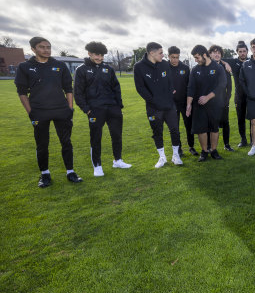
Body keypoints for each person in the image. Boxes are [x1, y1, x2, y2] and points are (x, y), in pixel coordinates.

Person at [15, 36, 83, 187]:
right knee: (42, 144)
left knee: (66, 142)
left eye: (48, 47)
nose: (46, 50)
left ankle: (70, 172)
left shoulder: (59, 65)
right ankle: (45, 174)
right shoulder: (24, 67)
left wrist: (70, 108)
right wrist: (30, 112)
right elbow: (22, 92)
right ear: (33, 49)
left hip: (61, 111)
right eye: (42, 47)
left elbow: (68, 89)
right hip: (39, 112)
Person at [74, 41, 131, 176]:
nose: (99, 58)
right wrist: (86, 109)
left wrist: (119, 105)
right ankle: (97, 166)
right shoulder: (81, 70)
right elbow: (78, 92)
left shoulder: (108, 69)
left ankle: (117, 160)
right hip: (95, 110)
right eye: (96, 55)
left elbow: (116, 88)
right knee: (96, 138)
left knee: (117, 136)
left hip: (113, 109)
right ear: (89, 54)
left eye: (101, 55)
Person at [134, 42, 183, 168]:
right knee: (157, 132)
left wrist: (169, 96)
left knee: (175, 130)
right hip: (153, 107)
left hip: (169, 105)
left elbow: (170, 83)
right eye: (161, 53)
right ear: (152, 53)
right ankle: (162, 158)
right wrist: (153, 100)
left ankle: (175, 156)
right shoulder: (138, 67)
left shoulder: (165, 64)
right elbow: (140, 88)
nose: (163, 55)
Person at [186, 45, 227, 162]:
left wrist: (208, 97)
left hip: (215, 104)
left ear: (204, 55)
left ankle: (214, 150)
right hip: (199, 105)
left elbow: (222, 85)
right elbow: (191, 88)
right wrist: (189, 104)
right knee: (201, 129)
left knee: (214, 128)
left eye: (197, 57)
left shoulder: (218, 68)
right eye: (195, 58)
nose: (196, 60)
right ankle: (204, 152)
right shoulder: (195, 70)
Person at [168, 46, 198, 157]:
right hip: (171, 104)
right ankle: (179, 148)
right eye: (173, 57)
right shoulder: (164, 67)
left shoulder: (185, 68)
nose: (175, 60)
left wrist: (190, 103)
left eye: (177, 57)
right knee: (174, 127)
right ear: (168, 56)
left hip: (185, 103)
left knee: (189, 125)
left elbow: (190, 86)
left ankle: (191, 147)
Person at [209, 45, 234, 152]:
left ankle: (227, 144)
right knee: (210, 124)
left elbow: (229, 86)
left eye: (219, 52)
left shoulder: (225, 67)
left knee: (225, 123)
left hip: (223, 102)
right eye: (214, 52)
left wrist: (227, 100)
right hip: (210, 102)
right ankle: (210, 146)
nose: (217, 54)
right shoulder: (207, 67)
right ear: (209, 54)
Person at [227, 41, 250, 148]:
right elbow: (218, 59)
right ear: (237, 52)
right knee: (240, 119)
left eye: (244, 51)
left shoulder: (251, 61)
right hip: (239, 96)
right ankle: (243, 139)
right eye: (240, 51)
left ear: (247, 52)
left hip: (251, 96)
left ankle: (253, 139)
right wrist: (225, 63)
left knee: (253, 119)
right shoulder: (233, 62)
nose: (242, 53)